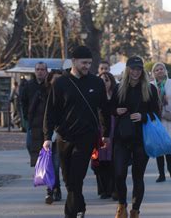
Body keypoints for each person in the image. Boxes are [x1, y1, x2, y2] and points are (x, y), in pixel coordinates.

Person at [44, 46, 111, 218]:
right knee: (68, 180)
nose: (87, 66)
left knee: (76, 177)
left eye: (89, 63)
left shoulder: (96, 83)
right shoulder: (60, 83)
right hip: (64, 137)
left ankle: (70, 214)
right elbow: (50, 111)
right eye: (83, 63)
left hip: (86, 138)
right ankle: (80, 205)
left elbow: (104, 109)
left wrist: (106, 133)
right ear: (73, 61)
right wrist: (47, 137)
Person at [112, 56, 160, 218]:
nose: (135, 72)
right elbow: (109, 108)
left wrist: (144, 116)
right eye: (132, 69)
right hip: (122, 136)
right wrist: (115, 111)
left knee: (137, 176)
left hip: (141, 138)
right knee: (119, 173)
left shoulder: (150, 89)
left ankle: (135, 210)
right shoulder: (119, 88)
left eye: (139, 69)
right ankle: (121, 205)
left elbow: (156, 114)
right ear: (127, 70)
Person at [29, 70, 63, 204]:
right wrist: (33, 128)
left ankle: (55, 189)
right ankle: (51, 190)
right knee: (48, 163)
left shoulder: (65, 94)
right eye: (55, 79)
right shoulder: (41, 94)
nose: (57, 82)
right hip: (44, 135)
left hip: (60, 134)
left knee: (55, 164)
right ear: (49, 81)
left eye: (60, 79)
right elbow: (32, 112)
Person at [151, 62, 171, 182]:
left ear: (165, 70)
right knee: (159, 147)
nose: (159, 71)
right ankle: (161, 173)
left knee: (168, 145)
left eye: (161, 69)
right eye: (156, 70)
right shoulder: (150, 85)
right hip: (156, 119)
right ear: (154, 73)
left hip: (170, 118)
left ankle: (170, 167)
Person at [92, 72, 117, 200]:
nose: (104, 83)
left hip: (113, 130)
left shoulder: (115, 95)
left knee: (113, 161)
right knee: (99, 162)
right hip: (98, 130)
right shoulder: (94, 95)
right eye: (102, 80)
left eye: (107, 80)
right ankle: (103, 189)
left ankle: (114, 189)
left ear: (111, 82)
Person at [22, 62, 48, 156]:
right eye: (37, 69)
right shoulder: (29, 85)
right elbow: (23, 101)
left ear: (46, 71)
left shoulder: (49, 85)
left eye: (42, 69)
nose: (40, 72)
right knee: (30, 144)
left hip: (46, 120)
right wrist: (26, 116)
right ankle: (39, 162)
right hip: (32, 120)